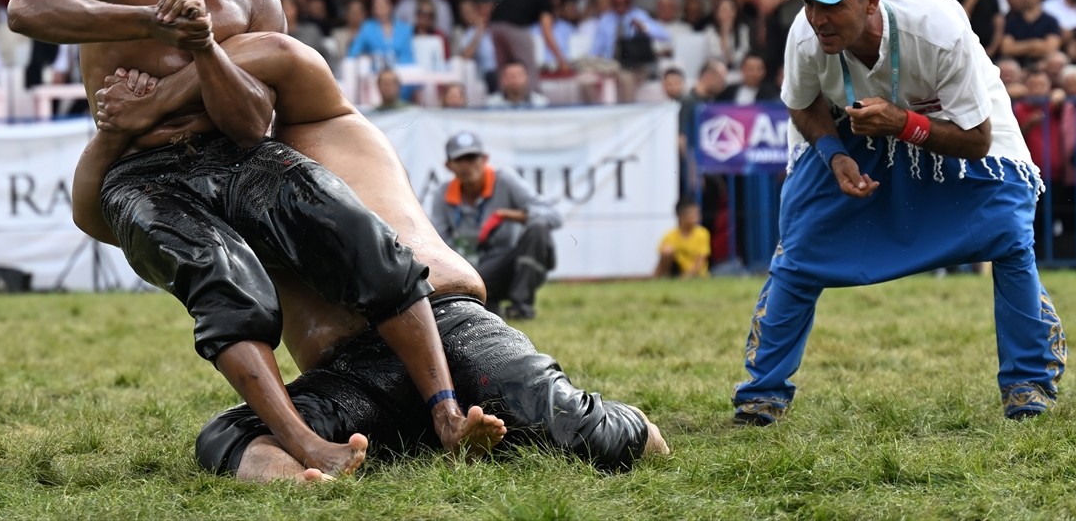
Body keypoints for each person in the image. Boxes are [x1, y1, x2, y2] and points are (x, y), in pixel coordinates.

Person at [7, 0, 501, 477]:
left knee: (367, 237)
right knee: (226, 282)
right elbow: (29, 7)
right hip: (142, 170)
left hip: (236, 155)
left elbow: (248, 125)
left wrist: (204, 46)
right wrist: (150, 21)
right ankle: (305, 444)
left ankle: (446, 413)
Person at [79, 40, 666, 481]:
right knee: (228, 436)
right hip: (354, 374)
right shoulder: (216, 185)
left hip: (449, 323)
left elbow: (282, 54)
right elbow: (98, 215)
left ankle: (632, 428)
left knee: (591, 436)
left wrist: (173, 82)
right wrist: (116, 129)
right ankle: (305, 480)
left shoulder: (329, 123)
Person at [731, 0, 1067, 426]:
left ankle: (1028, 385)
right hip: (848, 127)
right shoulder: (805, 35)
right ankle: (761, 396)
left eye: (831, 3)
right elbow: (802, 105)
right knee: (799, 250)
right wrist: (834, 157)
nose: (818, 18)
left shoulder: (938, 27)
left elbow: (976, 140)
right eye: (808, 3)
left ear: (871, 1)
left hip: (959, 122)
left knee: (1009, 235)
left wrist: (904, 124)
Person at [430, 131, 562, 321]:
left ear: (484, 159)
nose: (466, 165)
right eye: (459, 160)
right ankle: (483, 304)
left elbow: (554, 215)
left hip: (512, 264)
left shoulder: (505, 180)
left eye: (471, 158)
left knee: (538, 228)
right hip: (473, 270)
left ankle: (521, 307)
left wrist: (511, 215)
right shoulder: (442, 195)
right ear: (448, 165)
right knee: (479, 310)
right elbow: (439, 246)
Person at [653, 198, 710, 279]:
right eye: (692, 213)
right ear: (681, 216)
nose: (696, 217)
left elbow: (701, 260)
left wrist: (687, 276)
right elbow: (662, 258)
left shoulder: (702, 233)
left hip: (698, 275)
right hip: (678, 271)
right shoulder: (670, 235)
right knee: (667, 250)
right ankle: (664, 277)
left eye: (697, 213)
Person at [484, 60, 550, 109]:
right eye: (510, 76)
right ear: (503, 79)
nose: (515, 80)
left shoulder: (540, 103)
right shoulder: (491, 104)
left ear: (527, 78)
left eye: (519, 75)